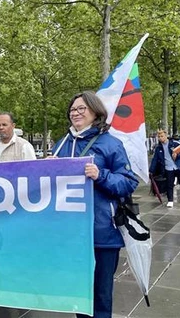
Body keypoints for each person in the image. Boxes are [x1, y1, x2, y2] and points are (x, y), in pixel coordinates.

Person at [51, 91, 138, 318]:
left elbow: (128, 182)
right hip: (70, 233)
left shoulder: (111, 144)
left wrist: (101, 176)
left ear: (95, 112)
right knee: (80, 293)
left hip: (102, 233)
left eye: (81, 109)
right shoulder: (61, 144)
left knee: (100, 294)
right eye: (72, 109)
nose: (76, 113)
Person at [149, 129, 180, 207]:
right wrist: (151, 170)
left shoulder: (174, 144)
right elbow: (155, 160)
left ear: (166, 136)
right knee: (169, 185)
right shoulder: (158, 148)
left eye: (162, 136)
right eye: (159, 136)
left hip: (178, 166)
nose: (160, 138)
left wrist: (177, 155)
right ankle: (170, 200)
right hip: (168, 168)